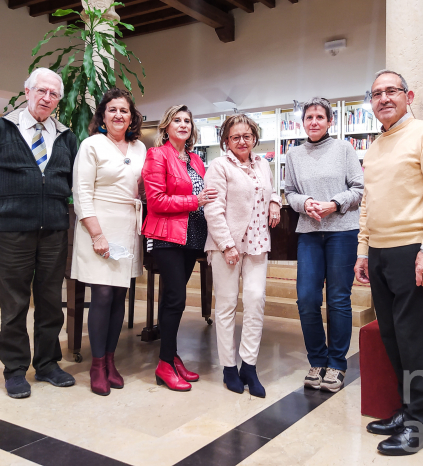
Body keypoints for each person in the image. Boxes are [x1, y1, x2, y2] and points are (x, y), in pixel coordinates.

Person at [354, 70, 423, 456]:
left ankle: (420, 425)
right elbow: (368, 203)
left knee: (417, 341)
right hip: (380, 254)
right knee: (393, 337)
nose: (383, 98)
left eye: (391, 91)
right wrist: (364, 250)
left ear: (408, 95)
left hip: (414, 250)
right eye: (376, 93)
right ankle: (406, 409)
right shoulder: (376, 145)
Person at [0, 67, 78, 399]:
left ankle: (48, 363)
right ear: (27, 91)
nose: (47, 98)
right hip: (13, 229)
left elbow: (71, 182)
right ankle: (15, 369)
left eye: (54, 94)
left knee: (51, 301)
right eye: (42, 91)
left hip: (53, 229)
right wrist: (11, 204)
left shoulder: (66, 136)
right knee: (14, 301)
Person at [284, 97, 364, 393]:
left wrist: (334, 204)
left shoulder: (344, 149)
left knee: (339, 299)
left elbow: (358, 189)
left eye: (320, 117)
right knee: (306, 298)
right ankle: (317, 359)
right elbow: (289, 192)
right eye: (309, 118)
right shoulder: (294, 154)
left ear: (330, 121)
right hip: (308, 232)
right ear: (302, 123)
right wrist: (304, 203)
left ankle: (337, 363)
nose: (314, 122)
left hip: (342, 231)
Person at [71, 89, 146, 396]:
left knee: (118, 297)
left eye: (124, 111)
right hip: (98, 226)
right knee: (101, 295)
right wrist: (97, 233)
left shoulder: (140, 147)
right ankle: (97, 365)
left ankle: (111, 361)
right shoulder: (92, 145)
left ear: (132, 117)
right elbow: (81, 192)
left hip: (127, 227)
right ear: (102, 115)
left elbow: (143, 186)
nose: (118, 115)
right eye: (112, 110)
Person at [204, 114, 281, 398]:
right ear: (226, 140)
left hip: (258, 244)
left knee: (255, 300)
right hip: (227, 245)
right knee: (225, 306)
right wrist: (226, 244)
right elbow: (212, 209)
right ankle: (228, 367)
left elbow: (269, 190)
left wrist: (275, 202)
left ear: (255, 138)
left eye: (247, 136)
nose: (241, 142)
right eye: (235, 137)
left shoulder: (263, 163)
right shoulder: (219, 165)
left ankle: (249, 365)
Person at [142, 105, 217, 392]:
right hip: (167, 237)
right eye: (177, 120)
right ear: (166, 126)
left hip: (193, 237)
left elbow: (206, 194)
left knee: (174, 300)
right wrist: (194, 202)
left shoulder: (196, 160)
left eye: (188, 120)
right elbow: (157, 200)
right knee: (175, 299)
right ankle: (163, 364)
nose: (183, 124)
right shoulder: (157, 155)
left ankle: (172, 356)